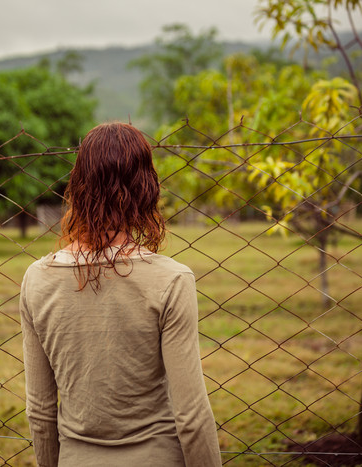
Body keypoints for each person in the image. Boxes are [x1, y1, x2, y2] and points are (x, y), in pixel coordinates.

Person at [20, 122, 221, 466]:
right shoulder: (172, 280)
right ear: (146, 188)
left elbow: (40, 411)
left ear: (78, 186)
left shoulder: (37, 279)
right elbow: (191, 415)